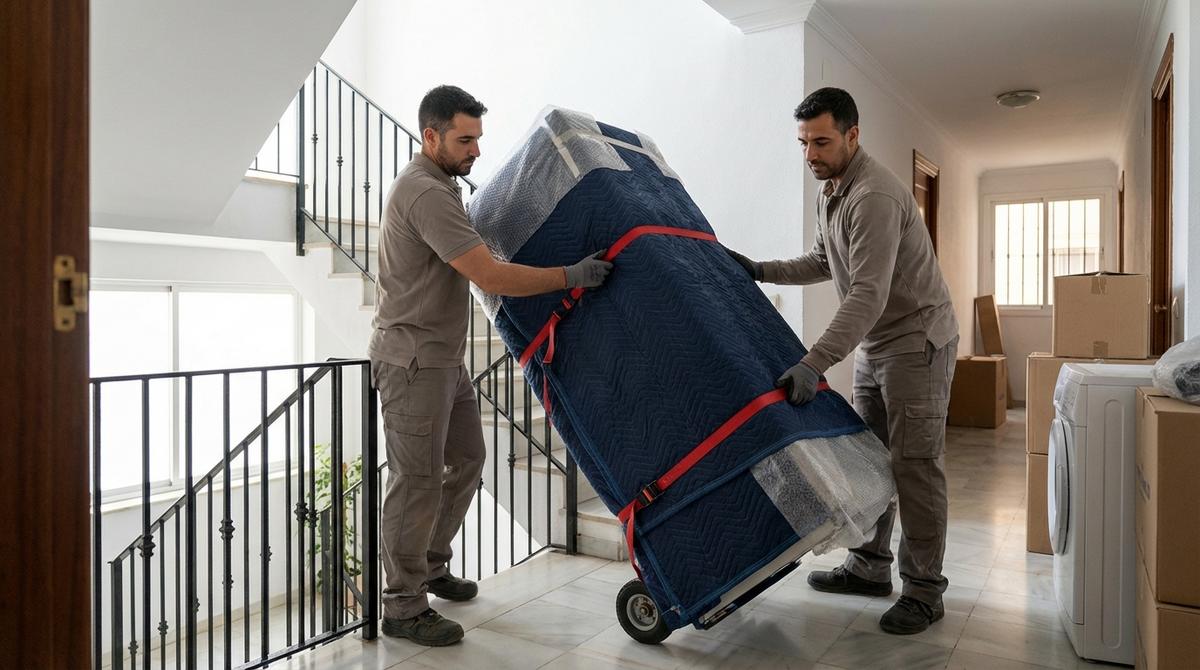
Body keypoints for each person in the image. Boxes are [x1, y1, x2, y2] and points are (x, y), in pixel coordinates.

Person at [369, 85, 612, 646]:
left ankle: (430, 564)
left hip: (444, 360)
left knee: (470, 461)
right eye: (465, 139)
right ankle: (402, 606)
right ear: (431, 136)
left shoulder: (443, 187)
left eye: (478, 138)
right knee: (416, 481)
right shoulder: (425, 192)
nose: (476, 149)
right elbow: (490, 274)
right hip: (412, 363)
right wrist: (569, 275)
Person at [725, 87, 959, 635]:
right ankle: (869, 566)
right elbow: (822, 259)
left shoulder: (873, 195)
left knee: (915, 466)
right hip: (877, 341)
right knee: (871, 459)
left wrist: (814, 362)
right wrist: (758, 269)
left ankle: (924, 590)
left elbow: (867, 294)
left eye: (822, 141)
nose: (811, 154)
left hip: (916, 340)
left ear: (853, 135)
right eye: (803, 143)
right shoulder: (830, 188)